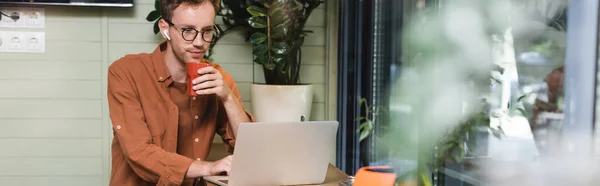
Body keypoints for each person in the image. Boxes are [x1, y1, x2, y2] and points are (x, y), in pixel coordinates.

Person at [106, 0, 253, 185]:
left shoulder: (218, 79)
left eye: (207, 31)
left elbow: (251, 154)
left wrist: (228, 97)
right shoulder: (126, 72)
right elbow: (139, 152)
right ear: (165, 28)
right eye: (188, 31)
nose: (199, 42)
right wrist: (208, 168)